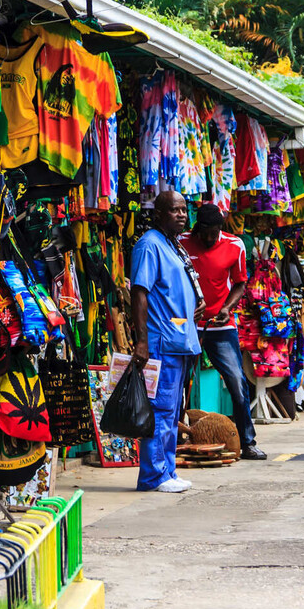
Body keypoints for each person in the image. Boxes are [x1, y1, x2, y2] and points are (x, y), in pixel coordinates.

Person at [131, 190, 205, 493]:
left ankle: (168, 471)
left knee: (172, 412)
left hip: (179, 341)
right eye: (175, 210)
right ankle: (154, 476)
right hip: (161, 342)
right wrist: (141, 342)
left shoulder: (173, 245)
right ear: (158, 214)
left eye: (184, 210)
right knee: (159, 410)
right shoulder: (149, 244)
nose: (182, 215)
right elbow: (139, 293)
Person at [181, 204, 266, 460]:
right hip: (186, 325)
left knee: (237, 382)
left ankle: (247, 441)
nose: (209, 239)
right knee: (179, 383)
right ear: (196, 229)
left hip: (221, 324)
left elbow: (240, 283)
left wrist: (229, 308)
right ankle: (175, 437)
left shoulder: (235, 245)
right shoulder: (180, 242)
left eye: (214, 233)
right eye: (204, 233)